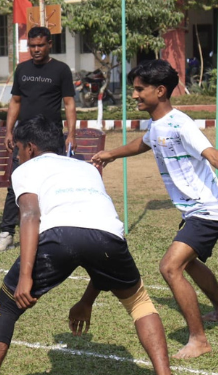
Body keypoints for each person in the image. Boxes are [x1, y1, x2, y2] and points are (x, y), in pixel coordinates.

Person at [0, 115, 170, 375]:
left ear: (30, 148)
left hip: (58, 235)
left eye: (18, 150)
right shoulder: (86, 167)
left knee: (7, 305)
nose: (17, 156)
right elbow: (92, 243)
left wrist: (26, 276)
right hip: (110, 236)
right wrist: (87, 302)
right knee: (139, 303)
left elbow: (29, 215)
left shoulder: (25, 168)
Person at [92, 59, 218, 360]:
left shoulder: (181, 123)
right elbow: (145, 143)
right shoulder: (159, 125)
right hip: (195, 211)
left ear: (160, 91)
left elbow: (211, 154)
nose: (134, 95)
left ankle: (198, 340)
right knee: (186, 264)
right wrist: (111, 153)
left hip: (208, 210)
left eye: (139, 89)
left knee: (170, 267)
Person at [0, 26, 77, 252]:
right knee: (15, 182)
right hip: (24, 137)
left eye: (40, 45)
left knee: (54, 184)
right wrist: (9, 131)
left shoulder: (61, 70)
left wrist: (71, 133)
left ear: (49, 44)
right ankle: (7, 233)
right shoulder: (22, 69)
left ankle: (56, 229)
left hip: (51, 137)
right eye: (32, 46)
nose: (36, 50)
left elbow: (69, 103)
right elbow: (15, 102)